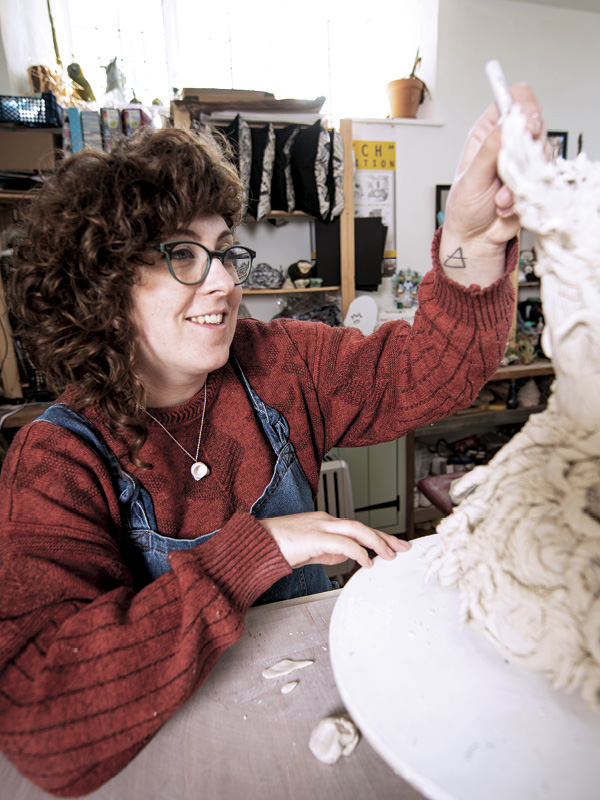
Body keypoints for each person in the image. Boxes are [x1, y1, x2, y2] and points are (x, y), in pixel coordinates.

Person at [0, 83, 543, 797]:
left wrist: (473, 240)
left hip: (315, 711)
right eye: (184, 257)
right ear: (104, 282)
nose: (225, 282)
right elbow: (45, 719)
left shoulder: (277, 363)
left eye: (226, 251)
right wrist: (260, 550)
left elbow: (427, 373)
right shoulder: (58, 461)